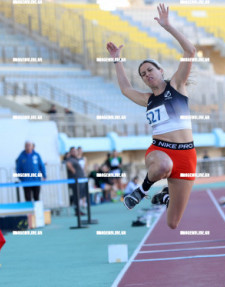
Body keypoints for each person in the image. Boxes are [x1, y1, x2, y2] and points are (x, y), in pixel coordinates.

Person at [106, 4, 197, 229]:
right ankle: (141, 191)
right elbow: (126, 89)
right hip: (160, 151)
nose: (147, 75)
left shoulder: (176, 85)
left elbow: (190, 52)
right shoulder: (148, 100)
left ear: (161, 71)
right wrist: (117, 60)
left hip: (187, 156)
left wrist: (168, 26)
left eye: (150, 70)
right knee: (164, 164)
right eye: (143, 74)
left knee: (173, 223)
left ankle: (164, 197)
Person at [66, 147, 86, 215]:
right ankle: (77, 210)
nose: (74, 152)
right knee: (76, 195)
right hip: (75, 180)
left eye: (75, 151)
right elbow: (68, 164)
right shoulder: (70, 159)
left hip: (80, 180)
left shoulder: (76, 159)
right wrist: (73, 170)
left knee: (79, 195)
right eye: (73, 151)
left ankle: (78, 209)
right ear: (70, 152)